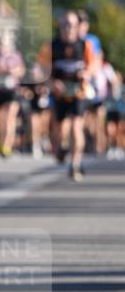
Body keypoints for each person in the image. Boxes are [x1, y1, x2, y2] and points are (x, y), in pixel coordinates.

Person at [50, 10, 95, 181]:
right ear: (60, 26)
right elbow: (42, 70)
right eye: (65, 25)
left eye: (72, 25)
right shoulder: (53, 46)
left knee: (77, 127)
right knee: (60, 129)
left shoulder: (85, 45)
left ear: (78, 27)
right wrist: (52, 82)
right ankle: (61, 147)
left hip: (79, 92)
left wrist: (87, 73)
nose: (69, 28)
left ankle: (75, 164)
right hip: (60, 94)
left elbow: (94, 65)